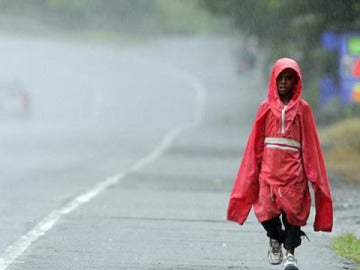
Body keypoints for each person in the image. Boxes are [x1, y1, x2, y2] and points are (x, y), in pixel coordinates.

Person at [227, 58, 333, 270]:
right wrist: (252, 173)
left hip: (294, 176)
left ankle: (290, 255)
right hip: (268, 174)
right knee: (266, 213)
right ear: (273, 80)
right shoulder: (265, 108)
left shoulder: (304, 110)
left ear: (296, 82)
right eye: (280, 78)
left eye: (289, 78)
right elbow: (255, 144)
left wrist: (314, 177)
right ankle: (276, 238)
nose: (284, 82)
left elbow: (310, 145)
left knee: (294, 216)